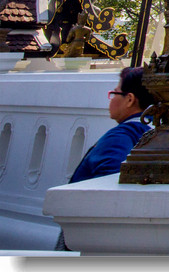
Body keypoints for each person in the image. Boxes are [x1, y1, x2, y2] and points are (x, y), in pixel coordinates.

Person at [56, 67, 155, 250]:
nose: (111, 99)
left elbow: (110, 182)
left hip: (90, 234)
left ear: (130, 99)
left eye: (115, 93)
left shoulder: (121, 136)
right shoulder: (154, 131)